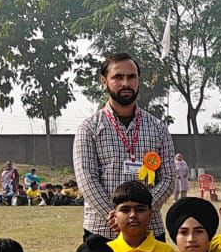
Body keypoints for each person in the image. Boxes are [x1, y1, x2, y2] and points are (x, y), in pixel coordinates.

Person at [74, 52, 176, 240]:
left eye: (131, 77)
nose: (126, 83)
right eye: (118, 77)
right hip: (103, 230)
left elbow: (169, 178)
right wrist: (115, 216)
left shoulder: (158, 128)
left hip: (149, 230)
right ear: (104, 82)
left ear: (138, 81)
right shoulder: (89, 128)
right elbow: (86, 179)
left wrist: (143, 212)